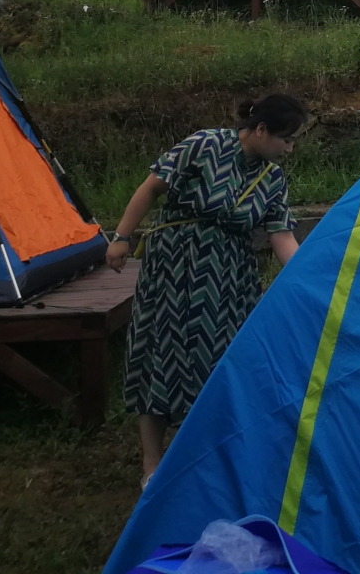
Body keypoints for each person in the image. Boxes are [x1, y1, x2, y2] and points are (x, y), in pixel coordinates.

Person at [107, 92, 307, 486]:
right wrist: (121, 237)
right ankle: (152, 464)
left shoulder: (272, 178)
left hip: (228, 280)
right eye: (285, 138)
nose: (289, 147)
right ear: (261, 129)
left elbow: (281, 235)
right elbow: (151, 188)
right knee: (158, 353)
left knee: (222, 361)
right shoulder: (204, 145)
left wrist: (306, 277)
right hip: (172, 268)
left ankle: (205, 452)